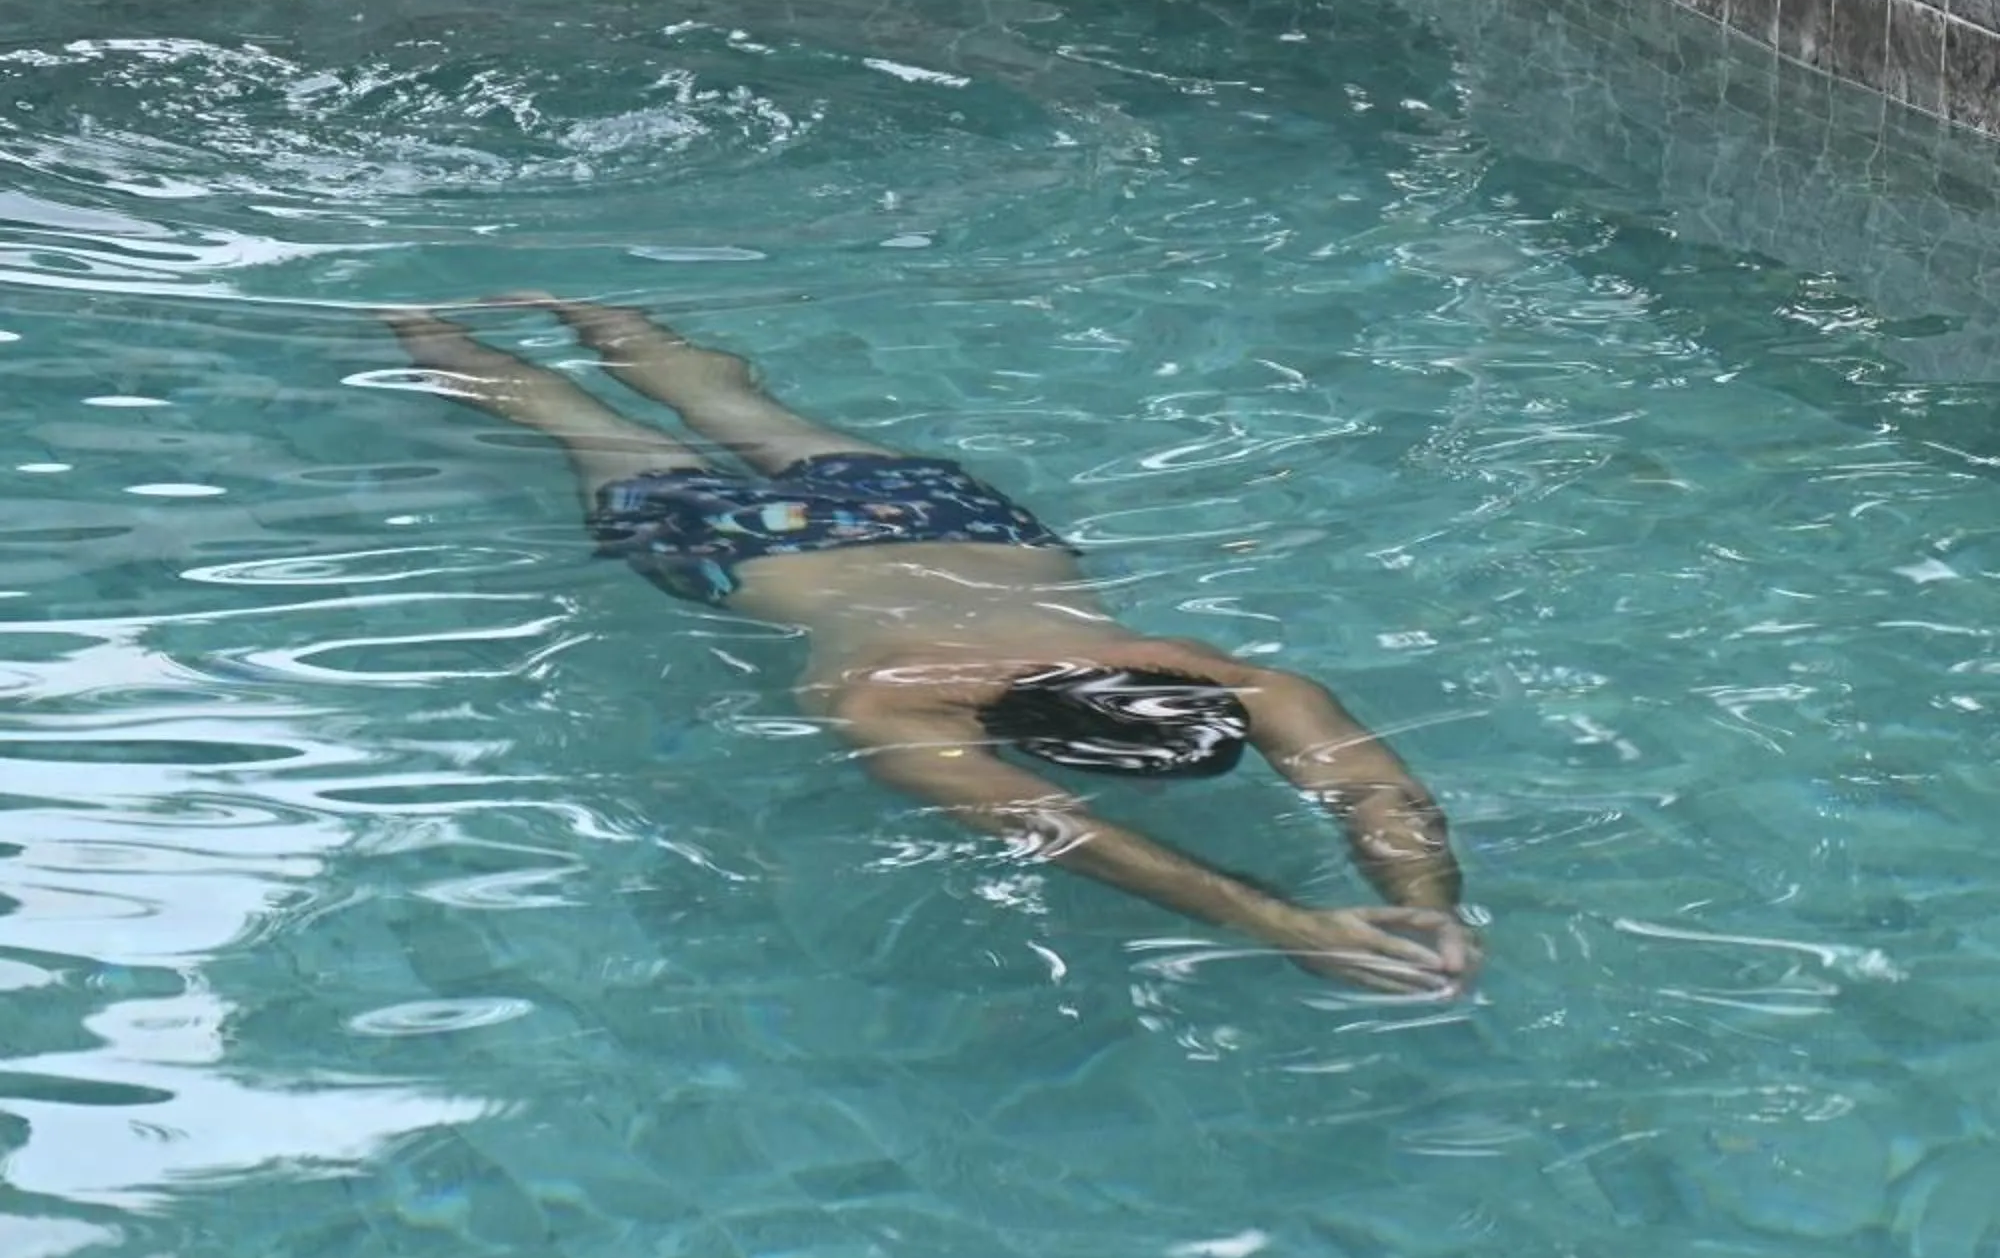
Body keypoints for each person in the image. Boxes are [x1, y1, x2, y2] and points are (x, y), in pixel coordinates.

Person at [387, 300, 1480, 996]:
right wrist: (1284, 921)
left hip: (946, 523)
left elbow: (1375, 791)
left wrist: (1425, 914)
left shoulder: (1204, 666)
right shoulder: (885, 701)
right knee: (588, 429)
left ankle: (581, 304)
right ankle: (426, 332)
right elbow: (1065, 832)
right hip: (742, 551)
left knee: (733, 404)